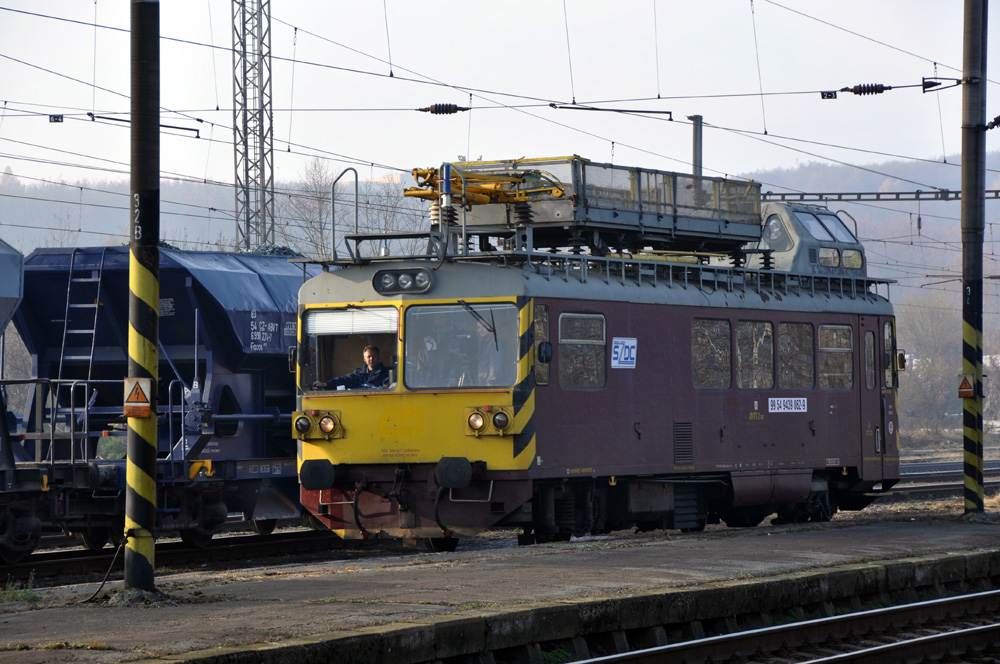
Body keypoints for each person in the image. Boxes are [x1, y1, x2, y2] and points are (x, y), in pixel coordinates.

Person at [312, 345, 390, 390]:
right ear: (364, 359)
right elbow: (344, 380)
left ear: (378, 357)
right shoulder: (359, 374)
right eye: (369, 356)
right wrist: (326, 384)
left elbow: (390, 386)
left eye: (374, 356)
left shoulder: (387, 373)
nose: (371, 359)